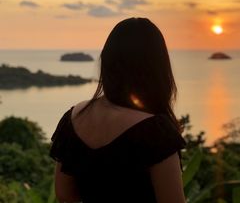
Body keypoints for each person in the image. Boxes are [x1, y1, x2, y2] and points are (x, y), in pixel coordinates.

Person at [49, 18, 187, 203]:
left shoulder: (74, 117)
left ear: (107, 62)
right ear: (157, 67)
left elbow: (65, 195)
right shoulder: (156, 132)